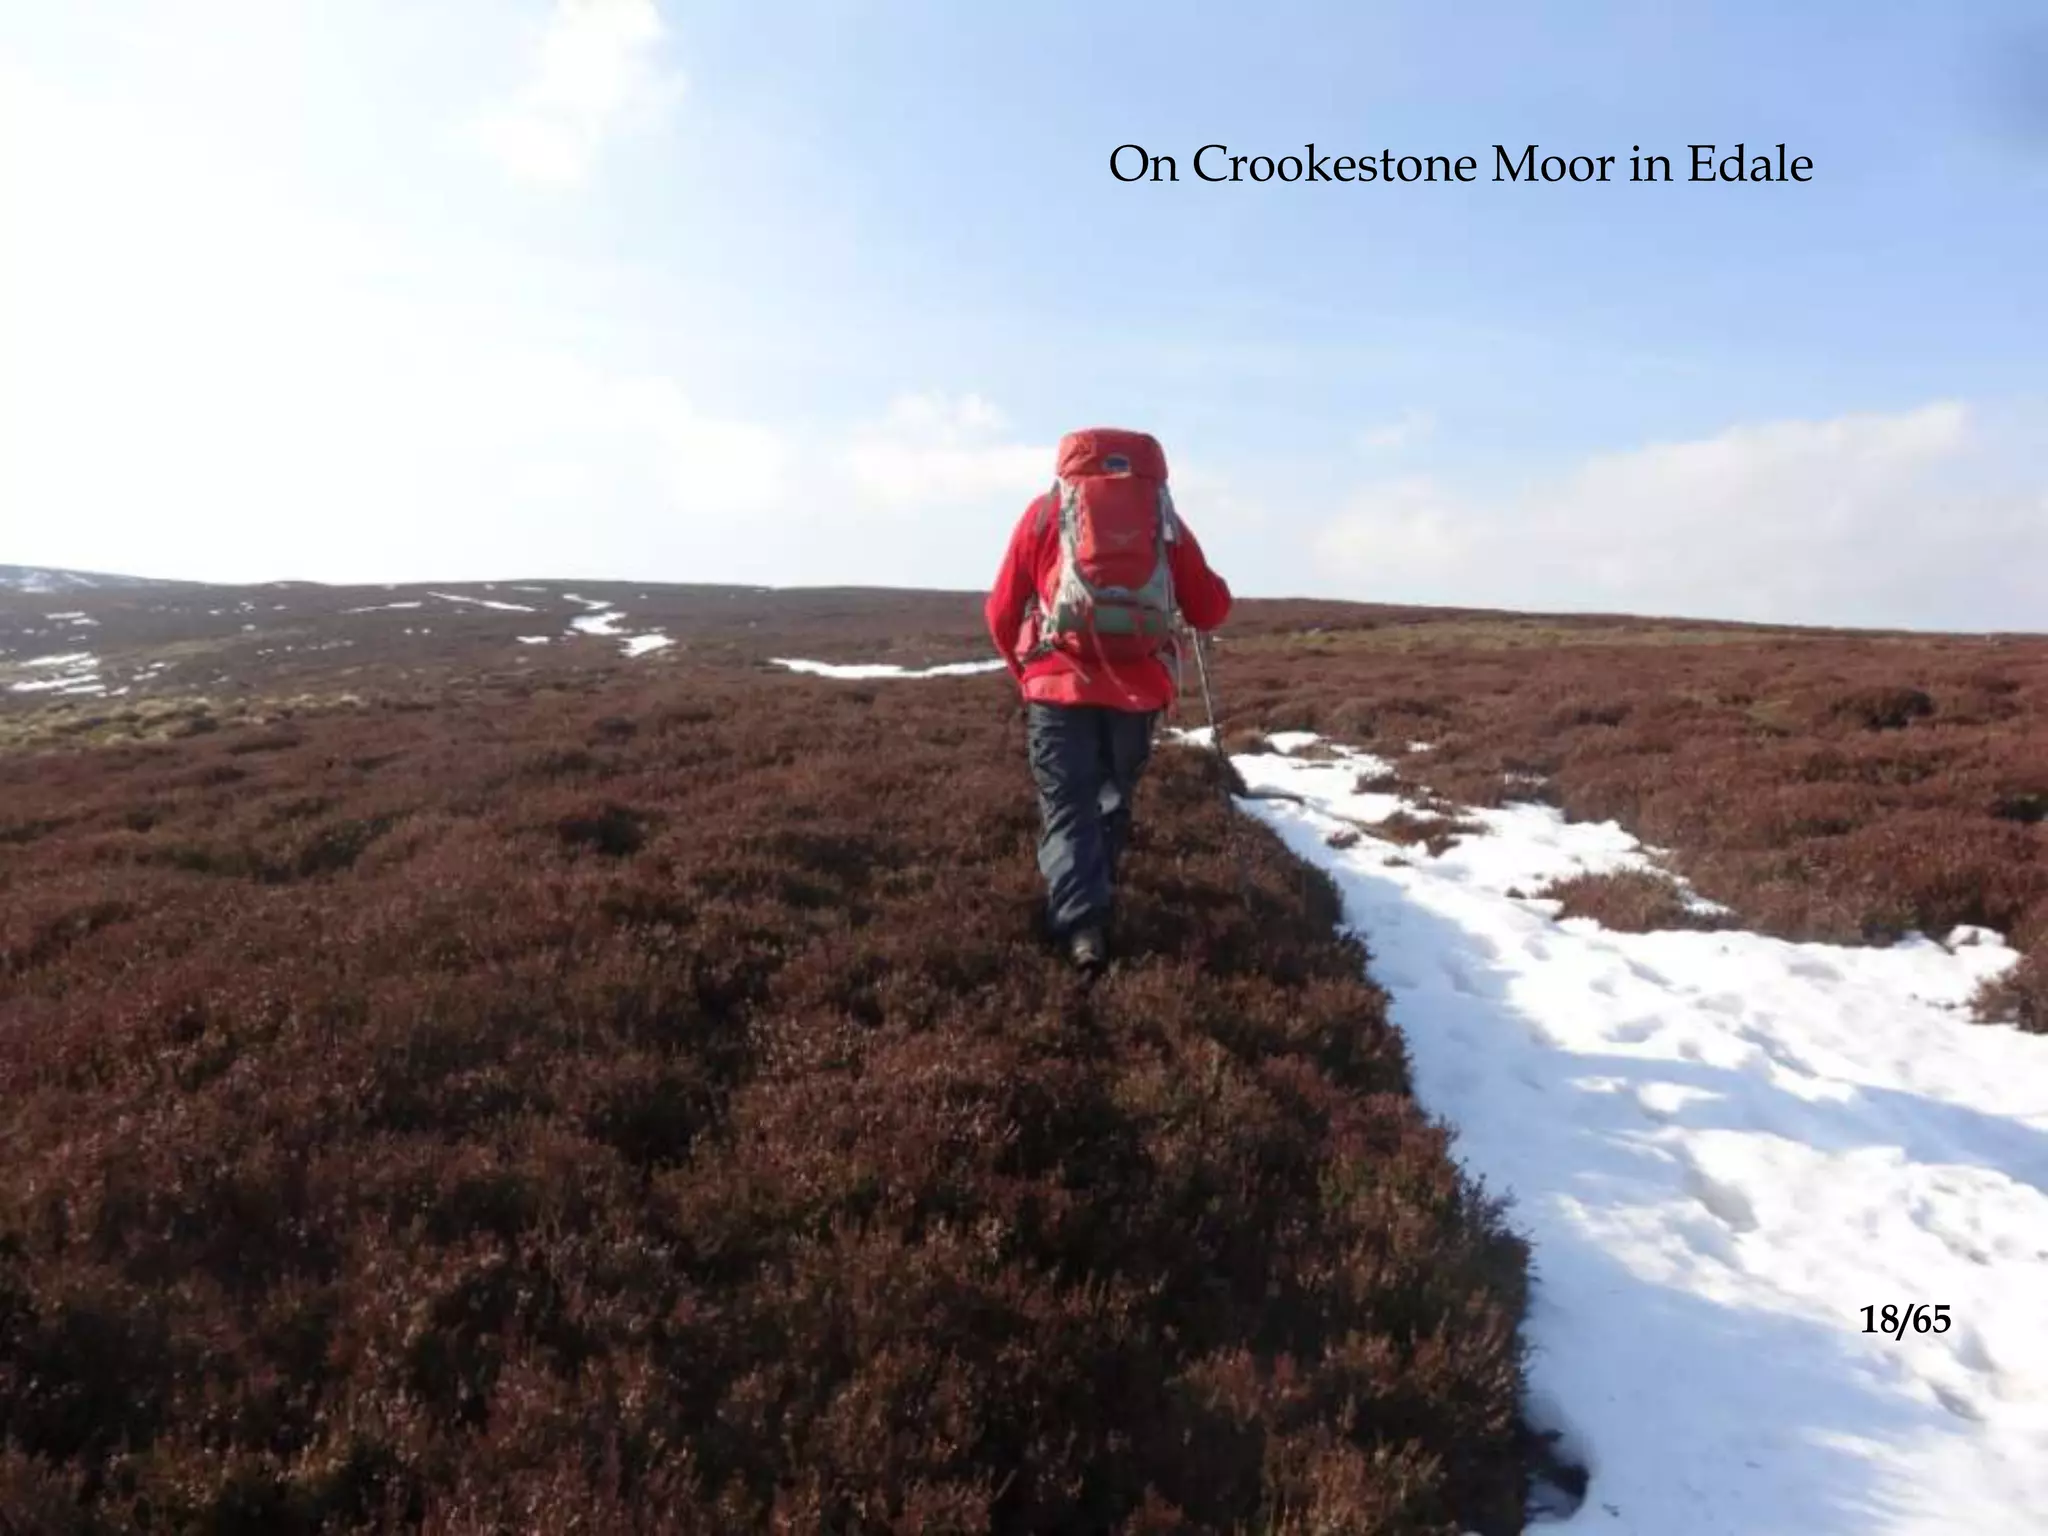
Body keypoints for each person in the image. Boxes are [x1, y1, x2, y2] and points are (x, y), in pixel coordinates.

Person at [984, 427, 1233, 975]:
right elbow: (1209, 609)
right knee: (1110, 795)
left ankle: (1082, 928)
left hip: (1056, 685)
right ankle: (1096, 902)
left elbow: (1000, 610)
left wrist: (1024, 671)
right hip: (1137, 693)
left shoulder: (1045, 514)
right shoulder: (1162, 520)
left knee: (1067, 802)